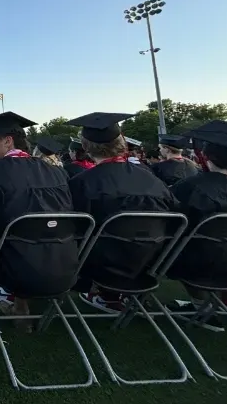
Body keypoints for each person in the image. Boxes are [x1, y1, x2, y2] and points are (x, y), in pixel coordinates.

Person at [0, 112, 76, 328]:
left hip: (10, 269)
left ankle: (14, 303)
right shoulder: (57, 172)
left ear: (8, 141)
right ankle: (20, 304)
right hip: (63, 264)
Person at [66, 112, 178, 313]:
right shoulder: (153, 180)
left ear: (84, 146)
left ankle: (104, 295)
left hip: (99, 266)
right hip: (151, 262)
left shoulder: (81, 184)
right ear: (123, 142)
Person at [165, 121, 227, 330]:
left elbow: (171, 223)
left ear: (207, 156)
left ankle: (201, 306)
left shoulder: (191, 187)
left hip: (197, 263)